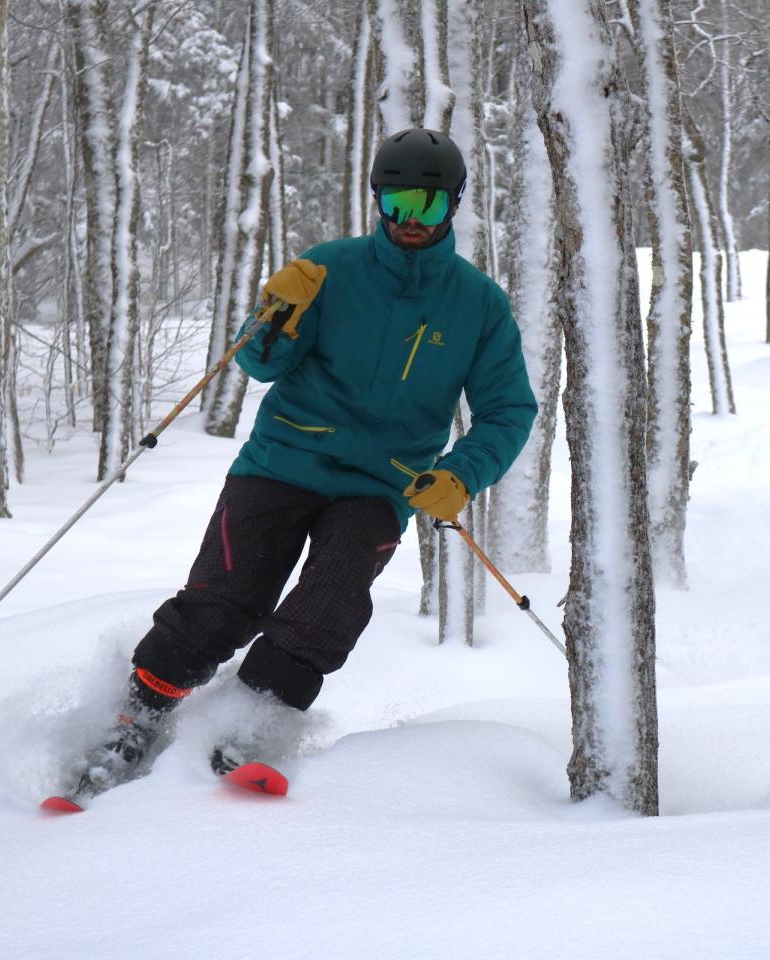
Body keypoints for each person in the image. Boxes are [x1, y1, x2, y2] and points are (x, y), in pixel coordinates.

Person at [68, 129, 537, 798]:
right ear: (377, 200)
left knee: (329, 604)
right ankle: (134, 719)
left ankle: (252, 722)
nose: (410, 220)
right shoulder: (328, 269)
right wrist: (275, 316)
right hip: (283, 458)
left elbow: (509, 409)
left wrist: (462, 473)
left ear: (453, 206)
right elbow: (259, 363)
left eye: (428, 206)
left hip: (381, 482)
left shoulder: (478, 305)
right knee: (223, 601)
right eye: (397, 202)